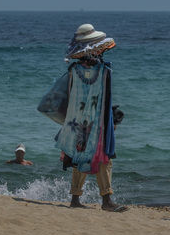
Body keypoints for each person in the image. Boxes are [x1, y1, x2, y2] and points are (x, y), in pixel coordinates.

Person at [39, 23, 127, 211]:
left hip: (78, 124)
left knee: (81, 157)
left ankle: (82, 199)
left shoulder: (74, 71)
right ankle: (103, 200)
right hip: (95, 123)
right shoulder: (103, 71)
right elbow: (104, 98)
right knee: (100, 158)